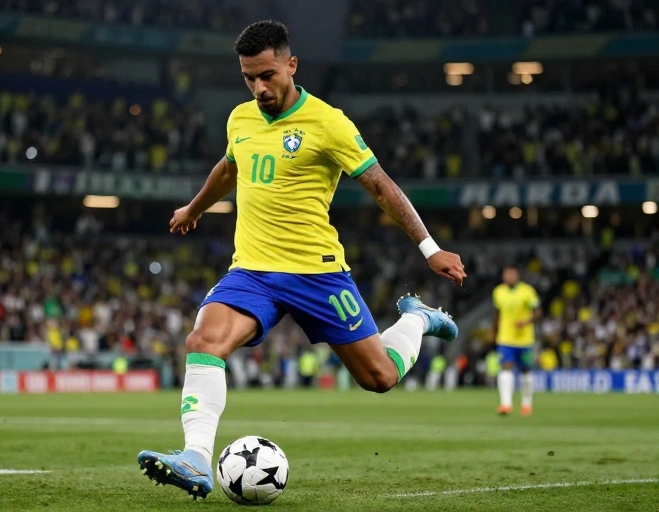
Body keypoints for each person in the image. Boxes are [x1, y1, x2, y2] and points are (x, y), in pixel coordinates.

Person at [137, 20, 467, 499]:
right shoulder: (240, 119)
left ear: (291, 65)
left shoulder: (328, 122)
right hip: (252, 271)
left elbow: (380, 186)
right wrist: (194, 208)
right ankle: (195, 458)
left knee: (379, 377)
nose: (259, 88)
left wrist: (430, 249)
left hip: (317, 274)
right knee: (203, 340)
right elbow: (229, 168)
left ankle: (417, 319)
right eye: (249, 78)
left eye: (267, 75)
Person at [491, 265, 541, 416]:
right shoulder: (498, 292)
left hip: (524, 339)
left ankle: (526, 403)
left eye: (512, 274)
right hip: (505, 338)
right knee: (505, 367)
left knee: (526, 370)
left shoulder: (527, 291)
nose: (509, 277)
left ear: (517, 276)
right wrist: (493, 331)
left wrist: (526, 322)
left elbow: (538, 312)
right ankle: (506, 404)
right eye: (507, 275)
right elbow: (497, 313)